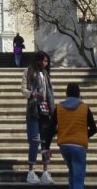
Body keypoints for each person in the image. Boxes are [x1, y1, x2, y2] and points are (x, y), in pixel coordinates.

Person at [53, 83, 97, 189]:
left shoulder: (58, 108)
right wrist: (84, 135)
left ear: (66, 93)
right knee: (78, 178)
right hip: (79, 146)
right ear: (79, 94)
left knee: (72, 172)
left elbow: (50, 128)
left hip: (64, 146)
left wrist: (45, 147)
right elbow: (94, 129)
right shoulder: (85, 108)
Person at [21, 51, 55, 185]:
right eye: (44, 61)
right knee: (34, 140)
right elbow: (23, 89)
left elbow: (49, 93)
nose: (46, 64)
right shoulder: (28, 72)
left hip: (46, 111)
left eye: (47, 61)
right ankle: (31, 171)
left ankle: (45, 172)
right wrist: (33, 94)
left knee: (45, 142)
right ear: (39, 60)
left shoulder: (46, 74)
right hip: (34, 110)